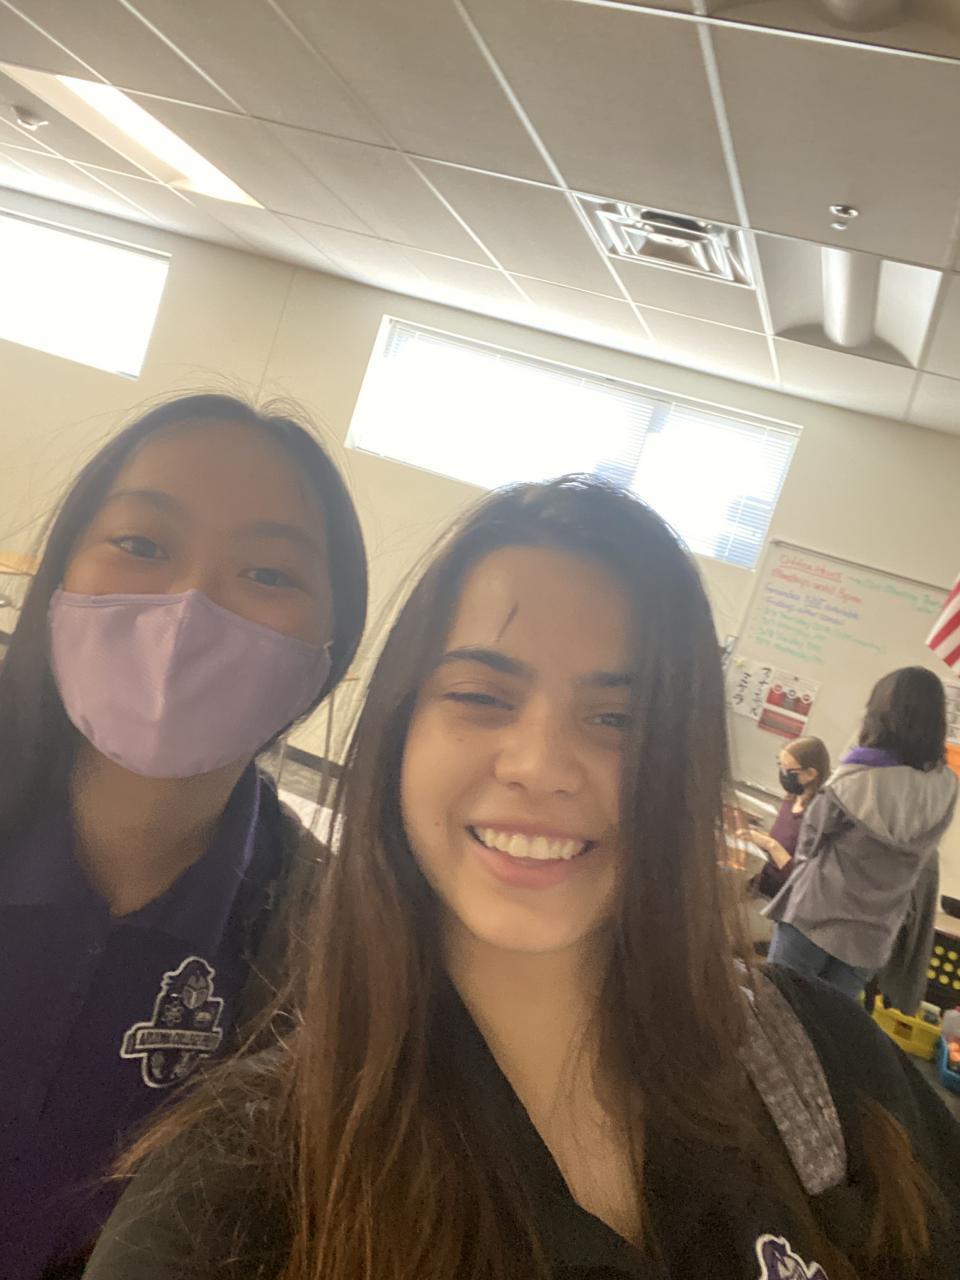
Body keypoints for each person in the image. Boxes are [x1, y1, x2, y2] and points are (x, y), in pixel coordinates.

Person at [86, 479, 960, 1280]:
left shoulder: (829, 1071)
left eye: (616, 716)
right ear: (398, 733)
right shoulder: (231, 1201)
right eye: (481, 696)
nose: (540, 764)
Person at [0, 393, 367, 1280]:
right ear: (60, 574)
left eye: (268, 574)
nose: (188, 606)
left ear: (331, 647)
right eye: (141, 543)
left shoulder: (325, 959)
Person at [766, 667, 958, 1002]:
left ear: (880, 714)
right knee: (828, 1023)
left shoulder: (856, 777)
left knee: (777, 1007)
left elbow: (809, 844)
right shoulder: (947, 787)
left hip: (814, 915)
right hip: (874, 934)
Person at [739, 737, 831, 900]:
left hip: (784, 898)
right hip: (765, 882)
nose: (782, 774)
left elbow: (800, 875)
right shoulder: (792, 798)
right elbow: (783, 843)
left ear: (810, 774)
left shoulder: (817, 817)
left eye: (787, 770)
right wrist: (754, 836)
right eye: (780, 766)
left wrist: (770, 844)